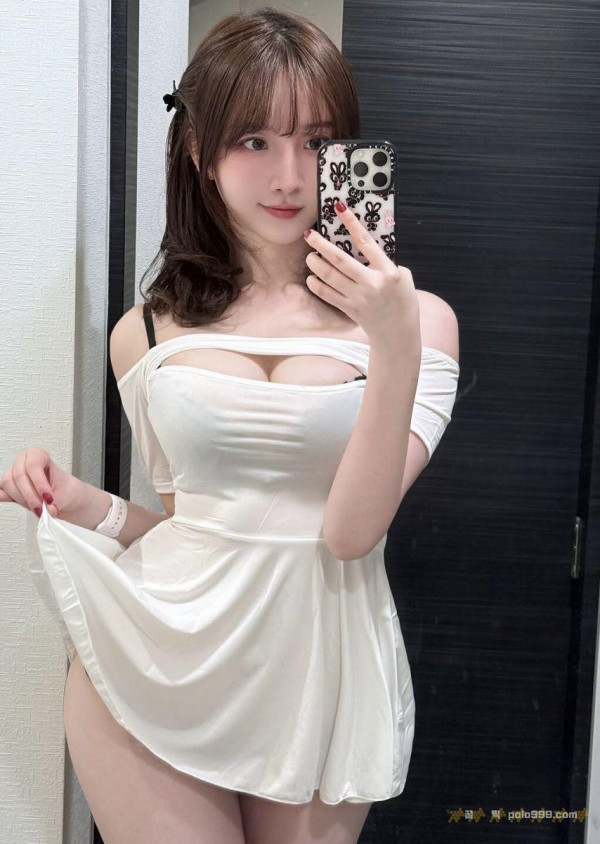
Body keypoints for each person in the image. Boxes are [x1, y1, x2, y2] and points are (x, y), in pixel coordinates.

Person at [3, 7, 460, 843]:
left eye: (316, 142)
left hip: (317, 676)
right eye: (254, 140)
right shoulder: (145, 331)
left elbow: (350, 533)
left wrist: (393, 348)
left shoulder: (419, 323)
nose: (290, 176)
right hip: (159, 654)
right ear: (198, 149)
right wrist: (85, 504)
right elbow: (197, 531)